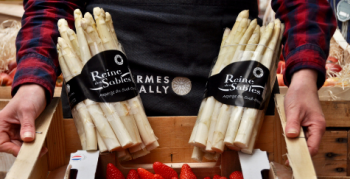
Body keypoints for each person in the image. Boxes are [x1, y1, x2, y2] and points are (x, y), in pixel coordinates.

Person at [0, 0, 336, 157]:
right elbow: (51, 5)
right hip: (97, 114)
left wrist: (303, 78)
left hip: (231, 111)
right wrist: (32, 83)